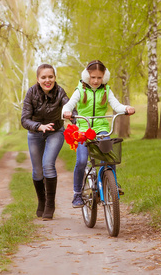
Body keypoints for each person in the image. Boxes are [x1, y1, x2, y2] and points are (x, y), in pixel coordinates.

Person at [62, 60, 136, 208]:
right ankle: (77, 193)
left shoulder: (106, 91)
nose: (95, 81)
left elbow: (116, 105)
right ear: (86, 76)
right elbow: (69, 104)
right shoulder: (80, 90)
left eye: (99, 78)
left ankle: (113, 183)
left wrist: (126, 108)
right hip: (83, 130)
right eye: (92, 77)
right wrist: (66, 112)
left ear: (104, 78)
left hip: (101, 128)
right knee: (82, 160)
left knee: (109, 155)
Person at [21, 64, 71, 220]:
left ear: (55, 78)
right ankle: (41, 202)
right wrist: (39, 126)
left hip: (55, 132)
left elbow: (70, 109)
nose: (47, 80)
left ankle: (50, 205)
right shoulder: (31, 93)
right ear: (38, 79)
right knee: (37, 171)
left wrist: (73, 118)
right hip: (35, 133)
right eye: (43, 77)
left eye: (50, 77)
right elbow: (24, 120)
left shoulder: (60, 92)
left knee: (48, 164)